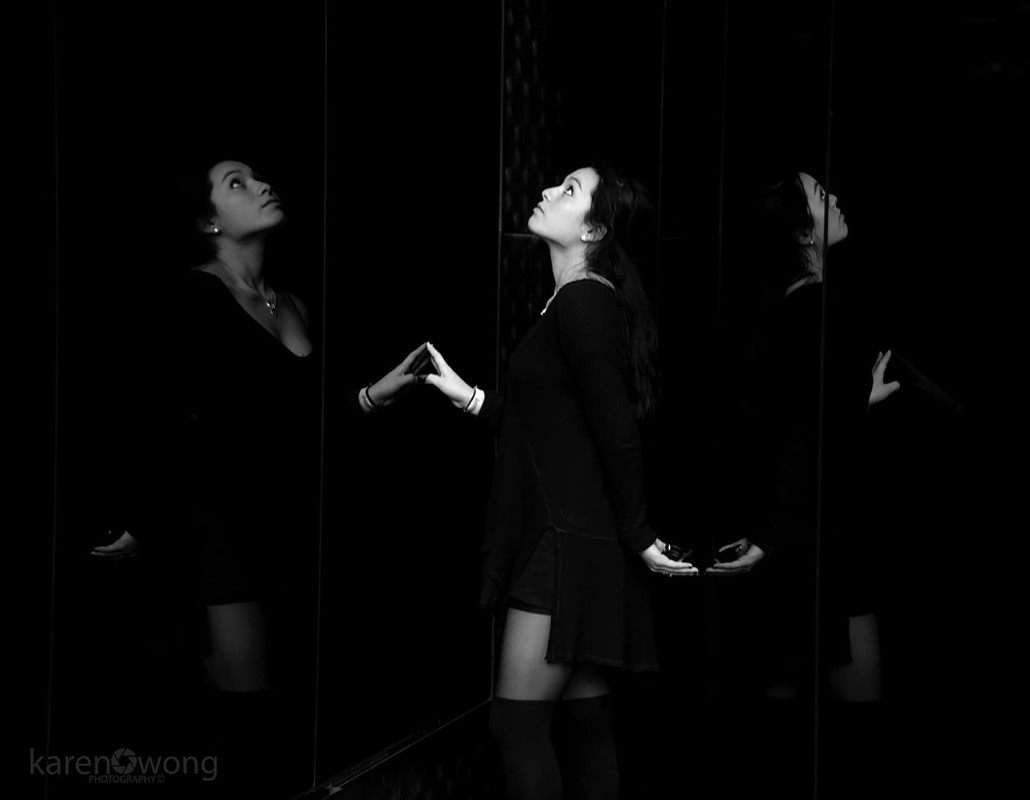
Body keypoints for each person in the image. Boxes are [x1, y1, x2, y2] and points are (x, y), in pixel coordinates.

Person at [99, 157, 426, 795]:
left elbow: (305, 424)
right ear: (209, 222)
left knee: (293, 721)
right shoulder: (193, 296)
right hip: (223, 535)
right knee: (244, 730)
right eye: (237, 183)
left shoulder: (294, 303)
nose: (262, 185)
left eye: (256, 176)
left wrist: (370, 396)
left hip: (292, 532)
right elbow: (160, 420)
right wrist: (142, 516)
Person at [423, 163, 697, 800]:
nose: (548, 190)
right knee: (585, 724)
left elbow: (617, 430)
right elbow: (551, 428)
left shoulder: (584, 299)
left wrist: (641, 536)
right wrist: (467, 397)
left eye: (569, 190)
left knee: (516, 725)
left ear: (594, 229)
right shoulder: (580, 298)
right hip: (580, 539)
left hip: (566, 547)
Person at [718, 171, 899, 798]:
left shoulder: (784, 308)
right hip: (820, 543)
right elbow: (801, 434)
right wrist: (773, 535)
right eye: (822, 196)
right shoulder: (819, 307)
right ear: (802, 234)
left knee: (781, 731)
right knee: (851, 734)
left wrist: (856, 398)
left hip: (787, 541)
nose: (836, 199)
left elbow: (797, 418)